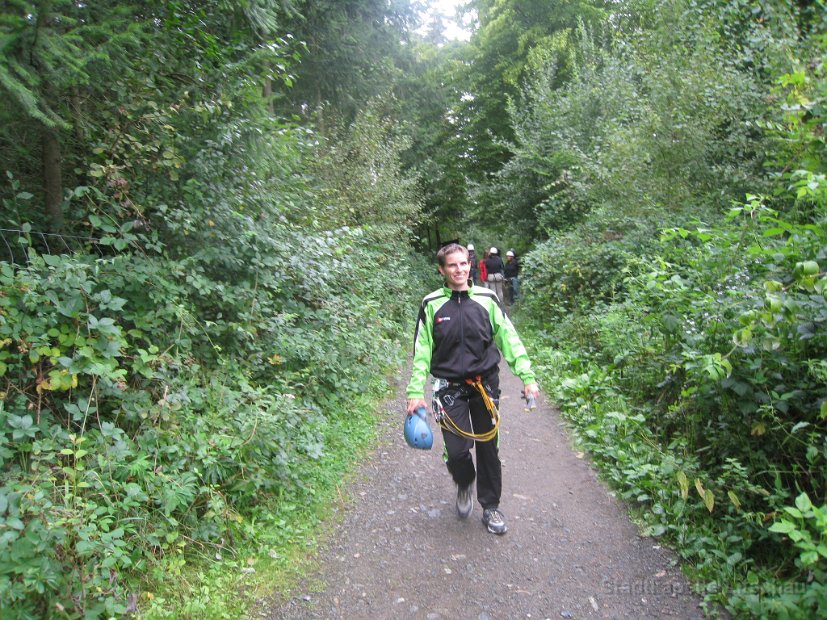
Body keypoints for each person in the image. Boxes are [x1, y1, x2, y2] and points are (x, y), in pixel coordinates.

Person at [405, 243, 540, 535]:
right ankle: (464, 482)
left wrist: (527, 376)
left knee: (489, 447)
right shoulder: (431, 305)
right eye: (452, 265)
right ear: (441, 270)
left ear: (469, 265)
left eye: (463, 264)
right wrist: (415, 391)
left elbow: (509, 339)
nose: (460, 270)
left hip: (484, 386)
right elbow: (421, 351)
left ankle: (490, 507)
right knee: (456, 452)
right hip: (447, 388)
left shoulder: (487, 299)